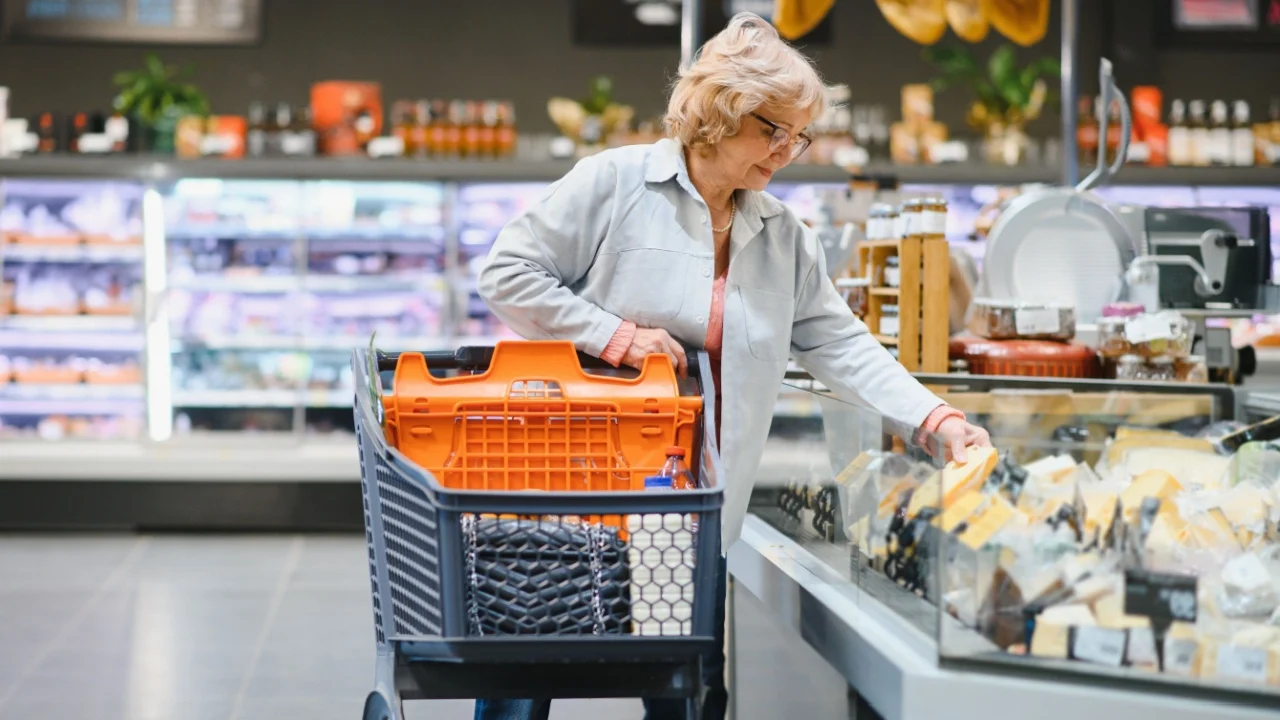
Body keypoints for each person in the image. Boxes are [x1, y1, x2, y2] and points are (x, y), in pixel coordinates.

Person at [474, 13, 991, 720]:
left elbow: (842, 342)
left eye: (798, 135)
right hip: (572, 498)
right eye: (771, 130)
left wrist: (937, 418)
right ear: (717, 113)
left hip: (692, 513)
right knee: (524, 682)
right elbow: (507, 273)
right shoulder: (616, 183)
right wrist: (618, 336)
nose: (786, 151)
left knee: (685, 692)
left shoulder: (783, 237)